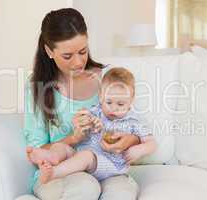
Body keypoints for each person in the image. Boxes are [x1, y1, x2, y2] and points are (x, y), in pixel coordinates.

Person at [23, 8, 141, 200]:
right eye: (67, 56)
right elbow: (36, 151)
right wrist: (73, 138)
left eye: (83, 51)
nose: (78, 62)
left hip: (105, 168)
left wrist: (126, 140)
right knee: (85, 188)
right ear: (49, 51)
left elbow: (135, 128)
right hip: (60, 172)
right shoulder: (37, 88)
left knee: (121, 193)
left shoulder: (108, 78)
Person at [27, 67, 157, 184]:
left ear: (131, 100)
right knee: (61, 146)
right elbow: (83, 117)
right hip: (80, 157)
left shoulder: (134, 120)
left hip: (110, 164)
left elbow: (151, 143)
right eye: (109, 102)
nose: (114, 109)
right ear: (100, 96)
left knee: (86, 156)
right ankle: (53, 157)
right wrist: (87, 121)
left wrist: (139, 150)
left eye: (120, 104)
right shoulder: (97, 111)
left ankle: (54, 173)